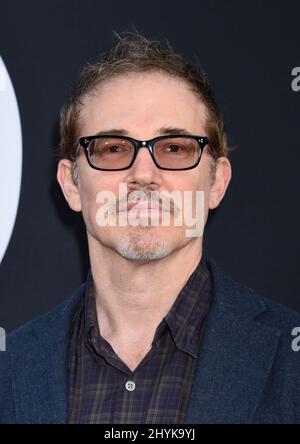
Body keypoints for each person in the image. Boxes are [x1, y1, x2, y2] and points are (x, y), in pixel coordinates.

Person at [1, 30, 300, 424]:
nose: (144, 174)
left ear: (217, 182)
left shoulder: (290, 359)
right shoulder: (11, 367)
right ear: (71, 185)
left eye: (174, 149)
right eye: (113, 148)